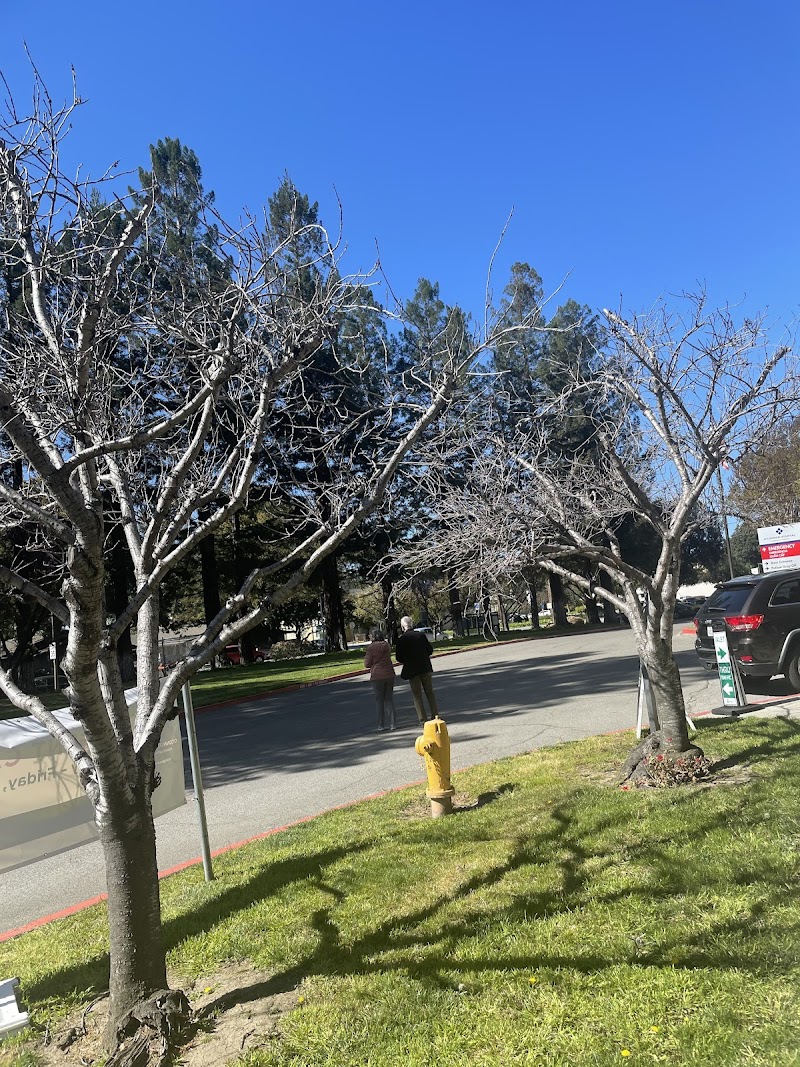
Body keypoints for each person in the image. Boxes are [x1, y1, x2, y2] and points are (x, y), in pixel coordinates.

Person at [394, 615, 439, 725]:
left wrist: (407, 659)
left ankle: (422, 719)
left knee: (417, 695)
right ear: (412, 624)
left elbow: (398, 657)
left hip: (412, 670)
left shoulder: (401, 640)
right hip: (425, 667)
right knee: (430, 692)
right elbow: (430, 650)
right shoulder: (421, 635)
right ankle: (435, 715)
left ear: (402, 627)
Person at [364, 628, 397, 731]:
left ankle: (381, 725)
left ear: (373, 636)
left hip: (377, 675)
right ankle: (392, 724)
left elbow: (367, 664)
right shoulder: (386, 645)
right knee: (389, 700)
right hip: (389, 673)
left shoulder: (370, 648)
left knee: (379, 701)